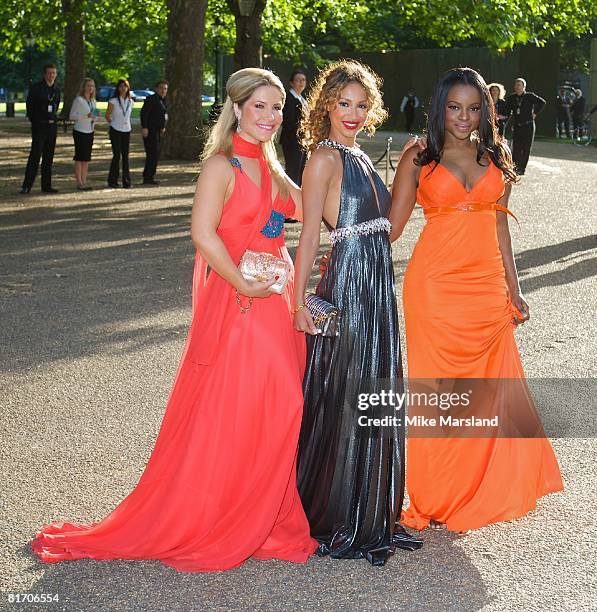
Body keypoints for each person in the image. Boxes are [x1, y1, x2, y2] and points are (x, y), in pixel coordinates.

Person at [31, 68, 318, 572]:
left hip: (274, 297)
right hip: (238, 298)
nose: (270, 116)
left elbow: (307, 207)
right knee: (256, 403)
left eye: (277, 108)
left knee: (273, 405)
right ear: (236, 108)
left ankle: (262, 512)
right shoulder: (220, 167)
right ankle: (227, 514)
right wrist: (241, 282)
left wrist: (334, 160)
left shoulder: (270, 167)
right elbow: (203, 234)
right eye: (260, 107)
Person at [389, 67, 563, 533]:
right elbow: (393, 224)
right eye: (454, 108)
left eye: (473, 108)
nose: (463, 118)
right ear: (439, 107)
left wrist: (515, 285)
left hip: (485, 287)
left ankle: (476, 487)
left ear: (485, 110)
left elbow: (500, 224)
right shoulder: (418, 156)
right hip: (435, 286)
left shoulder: (496, 154)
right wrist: (348, 255)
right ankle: (436, 493)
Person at [292, 60, 423, 566]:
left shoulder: (362, 156)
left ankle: (370, 508)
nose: (353, 112)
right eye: (344, 103)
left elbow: (389, 230)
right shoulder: (323, 158)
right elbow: (307, 236)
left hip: (378, 285)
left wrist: (410, 161)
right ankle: (336, 509)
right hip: (348, 283)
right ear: (327, 104)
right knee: (346, 389)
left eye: (362, 104)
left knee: (376, 387)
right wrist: (299, 299)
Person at [20, 64, 61, 194]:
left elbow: (56, 106)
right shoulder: (36, 88)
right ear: (44, 74)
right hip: (39, 127)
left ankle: (46, 186)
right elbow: (30, 107)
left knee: (49, 157)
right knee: (35, 156)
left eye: (54, 73)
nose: (51, 75)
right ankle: (27, 186)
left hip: (52, 127)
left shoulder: (56, 90)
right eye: (49, 73)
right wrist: (36, 121)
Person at [504, 78, 546, 175]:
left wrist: (535, 113)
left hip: (528, 125)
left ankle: (522, 169)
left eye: (519, 85)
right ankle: (514, 167)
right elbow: (507, 110)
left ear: (524, 87)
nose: (517, 87)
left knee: (526, 148)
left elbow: (542, 102)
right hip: (517, 126)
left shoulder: (529, 96)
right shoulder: (512, 98)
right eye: (516, 85)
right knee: (516, 148)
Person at [69, 78, 99, 190]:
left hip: (90, 131)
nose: (90, 88)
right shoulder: (79, 100)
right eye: (88, 86)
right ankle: (79, 182)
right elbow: (72, 116)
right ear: (83, 87)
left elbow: (94, 114)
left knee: (86, 158)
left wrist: (95, 117)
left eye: (92, 86)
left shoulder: (93, 101)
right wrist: (86, 116)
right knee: (79, 157)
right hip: (79, 131)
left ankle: (84, 181)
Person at [280, 69, 308, 186]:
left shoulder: (302, 99)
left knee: (301, 172)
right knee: (293, 172)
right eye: (298, 80)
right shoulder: (289, 99)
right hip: (292, 140)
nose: (301, 83)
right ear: (291, 83)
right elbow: (288, 120)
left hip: (302, 140)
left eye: (303, 80)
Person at [106, 79, 133, 188]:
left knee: (125, 156)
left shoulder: (130, 101)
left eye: (125, 86)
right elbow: (107, 115)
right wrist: (113, 123)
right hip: (116, 129)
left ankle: (126, 181)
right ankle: (113, 180)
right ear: (118, 88)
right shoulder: (113, 101)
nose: (123, 88)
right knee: (116, 155)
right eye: (121, 86)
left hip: (126, 130)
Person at [140, 80, 168, 185]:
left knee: (156, 153)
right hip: (150, 130)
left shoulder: (163, 100)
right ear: (156, 89)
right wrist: (145, 127)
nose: (163, 91)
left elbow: (163, 116)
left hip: (158, 130)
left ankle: (151, 175)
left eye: (165, 89)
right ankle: (147, 176)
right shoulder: (151, 99)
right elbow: (144, 113)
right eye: (161, 88)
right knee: (152, 152)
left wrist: (162, 127)